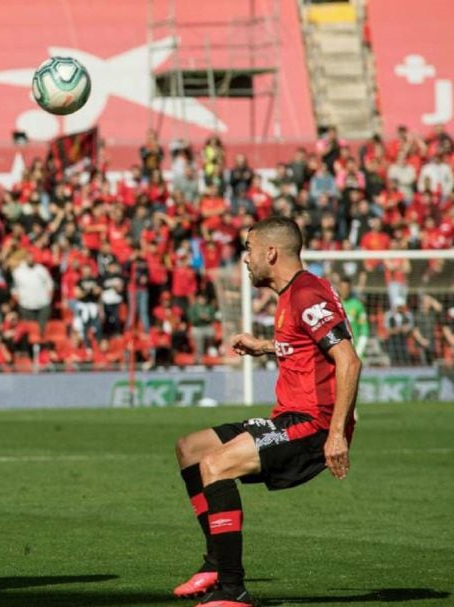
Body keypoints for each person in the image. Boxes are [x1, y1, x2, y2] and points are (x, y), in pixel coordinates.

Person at [172, 216, 362, 607]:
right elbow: (308, 346)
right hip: (288, 417)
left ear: (271, 252)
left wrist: (337, 433)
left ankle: (232, 589)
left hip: (313, 424)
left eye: (248, 248)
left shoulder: (308, 294)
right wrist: (264, 346)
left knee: (216, 466)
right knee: (191, 449)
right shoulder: (295, 294)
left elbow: (348, 360)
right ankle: (214, 562)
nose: (245, 258)